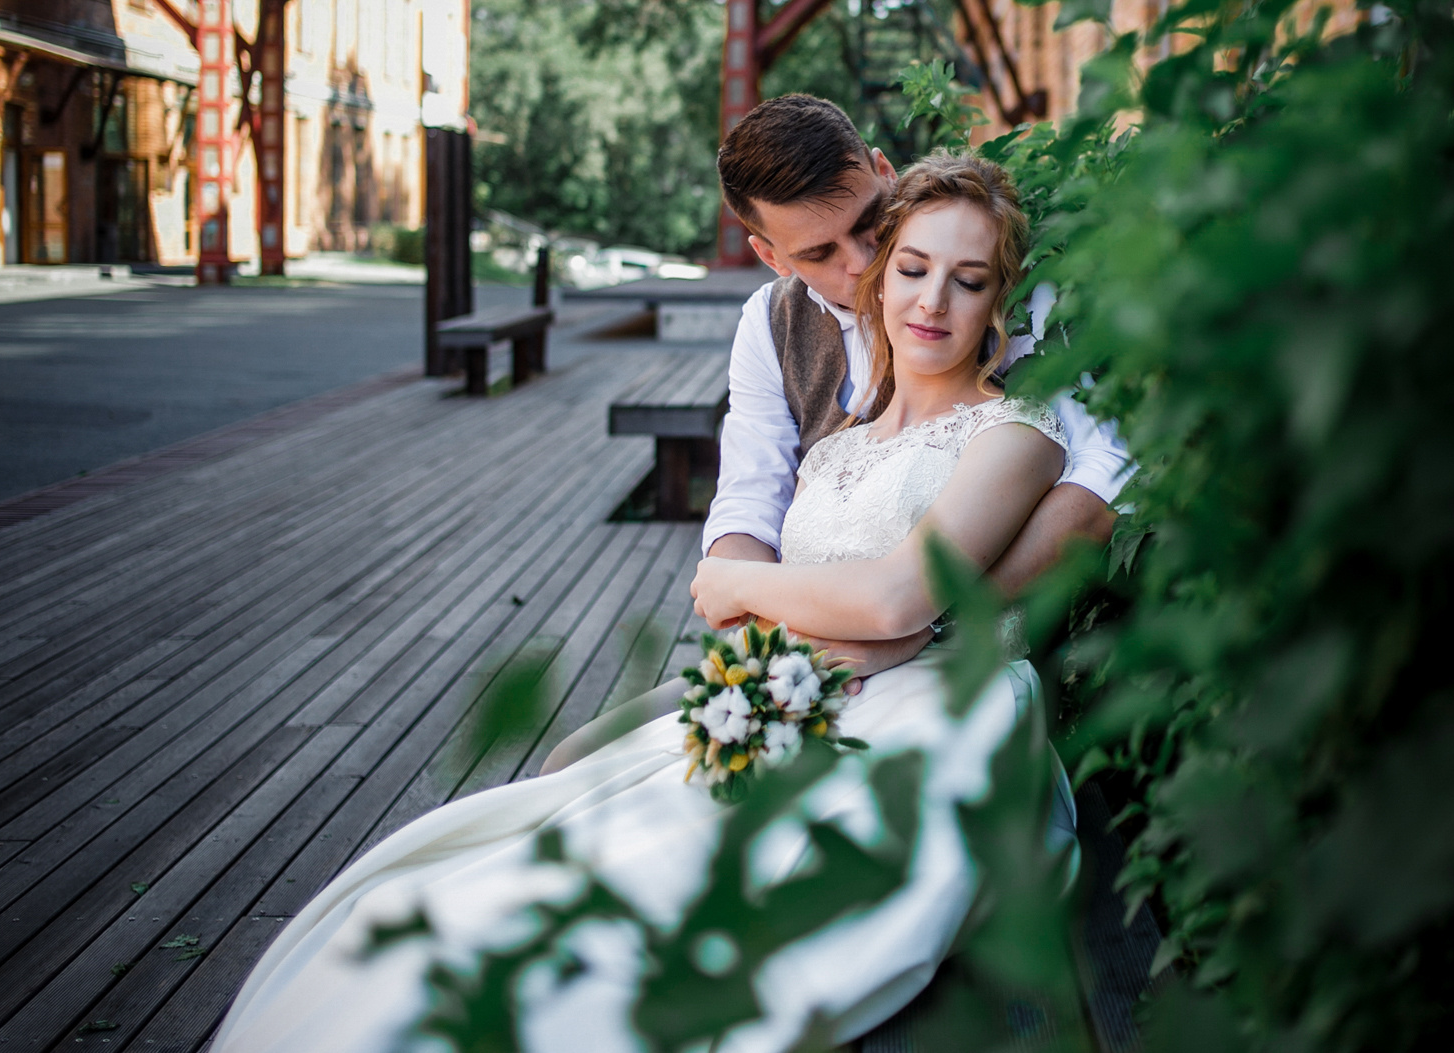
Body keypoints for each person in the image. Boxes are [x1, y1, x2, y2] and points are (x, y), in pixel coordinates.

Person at [209, 153, 1090, 1053]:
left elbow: (901, 593)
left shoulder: (1013, 433)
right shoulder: (834, 450)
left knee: (691, 896)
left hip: (931, 712)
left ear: (997, 301)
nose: (932, 302)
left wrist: (738, 580)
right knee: (549, 840)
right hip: (793, 691)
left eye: (968, 280)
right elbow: (804, 609)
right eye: (911, 269)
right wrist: (769, 642)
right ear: (878, 280)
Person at [538, 95, 1129, 772]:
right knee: (571, 761)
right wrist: (779, 650)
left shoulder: (998, 292)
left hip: (940, 678)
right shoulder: (774, 332)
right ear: (769, 253)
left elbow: (1104, 476)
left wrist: (919, 630)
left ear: (882, 170)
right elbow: (748, 507)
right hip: (807, 655)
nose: (859, 263)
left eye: (870, 224)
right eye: (819, 251)